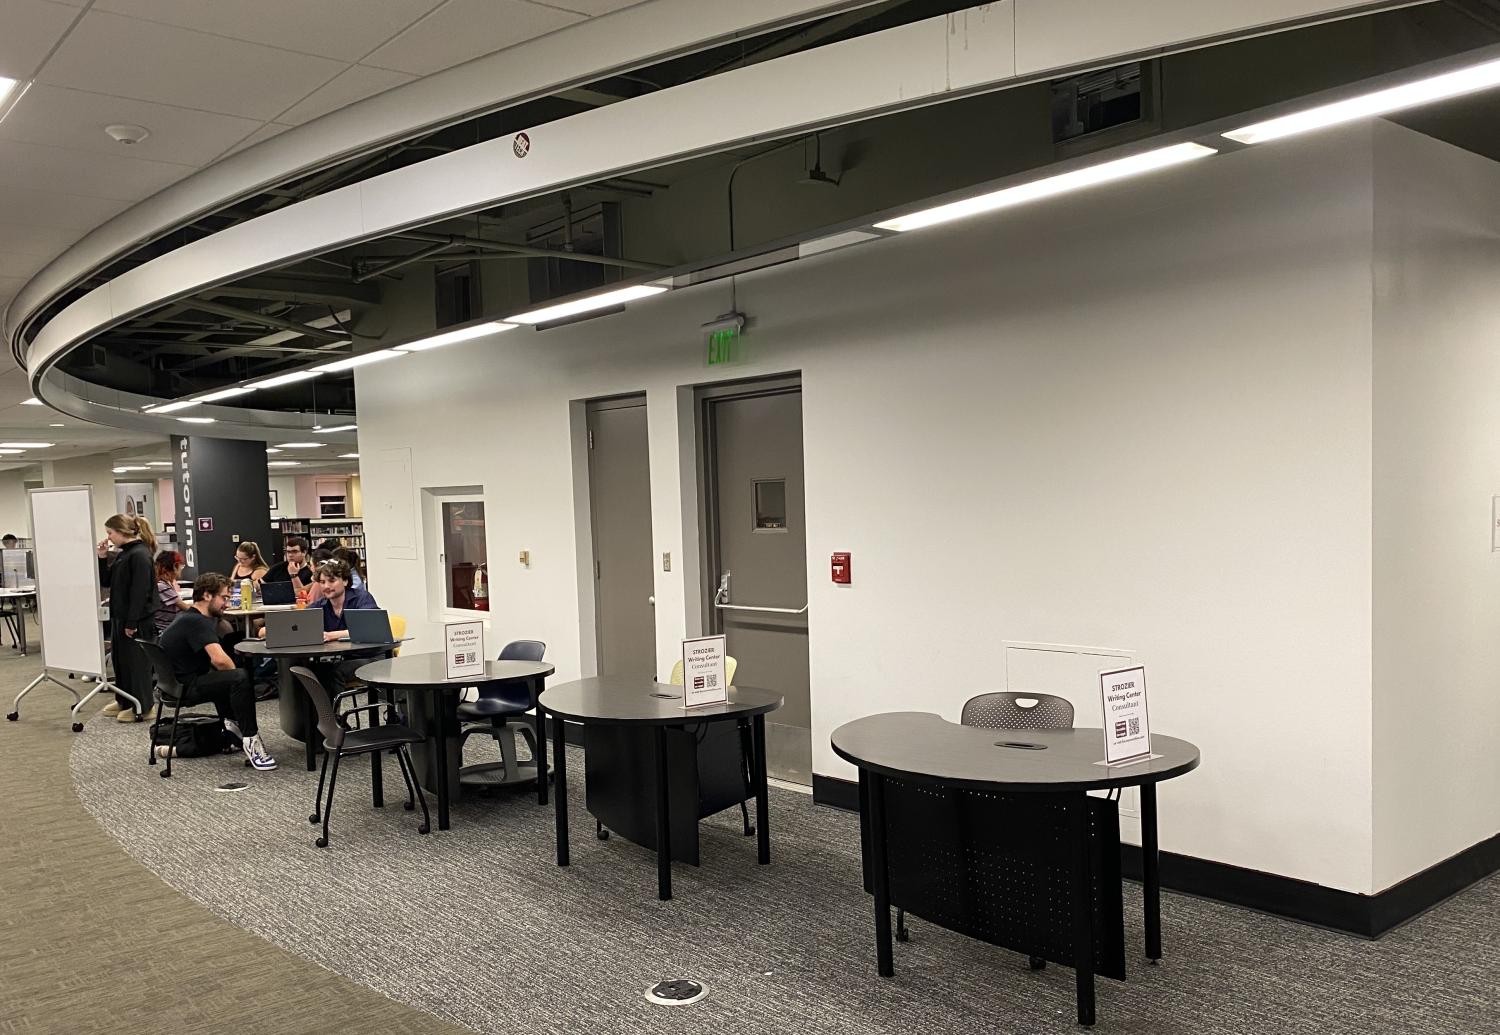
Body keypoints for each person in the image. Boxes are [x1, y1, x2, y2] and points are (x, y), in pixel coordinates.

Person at [161, 574, 276, 771]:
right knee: (239, 678)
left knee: (230, 677)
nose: (227, 604)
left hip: (174, 683)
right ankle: (251, 741)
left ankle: (234, 726)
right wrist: (241, 683)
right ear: (207, 596)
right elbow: (220, 660)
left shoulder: (186, 617)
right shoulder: (197, 622)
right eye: (224, 598)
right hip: (185, 688)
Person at [97, 514, 157, 722]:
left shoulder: (140, 555)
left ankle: (143, 706)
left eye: (110, 533)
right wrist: (103, 557)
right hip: (120, 617)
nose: (109, 537)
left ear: (122, 532)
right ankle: (124, 699)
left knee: (137, 665)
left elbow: (140, 592)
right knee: (121, 662)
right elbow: (108, 581)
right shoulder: (124, 554)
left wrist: (132, 622)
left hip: (136, 620)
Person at [153, 549, 190, 635]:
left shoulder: (164, 583)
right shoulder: (161, 586)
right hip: (166, 630)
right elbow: (184, 607)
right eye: (181, 566)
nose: (181, 569)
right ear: (175, 566)